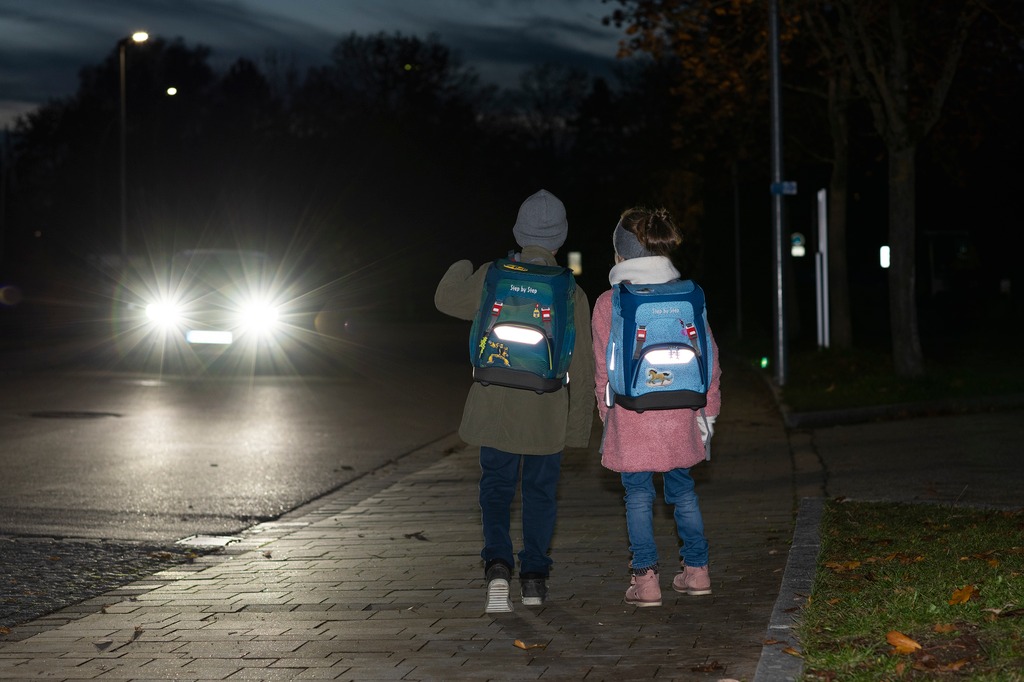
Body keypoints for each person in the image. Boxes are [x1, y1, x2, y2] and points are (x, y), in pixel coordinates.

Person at [434, 189, 595, 613]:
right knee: (540, 494)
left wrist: (460, 266)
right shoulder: (569, 291)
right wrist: (578, 431)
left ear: (518, 232)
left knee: (497, 489)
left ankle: (498, 566)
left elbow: (445, 299)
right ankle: (535, 579)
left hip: (496, 406)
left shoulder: (493, 274)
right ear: (560, 239)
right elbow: (582, 370)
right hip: (547, 413)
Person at [591, 207, 722, 607]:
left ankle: (646, 581)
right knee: (683, 492)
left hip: (632, 415)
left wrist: (606, 413)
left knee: (637, 495)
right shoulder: (688, 294)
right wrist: (709, 413)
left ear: (621, 256)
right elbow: (711, 358)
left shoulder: (609, 303)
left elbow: (602, 369)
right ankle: (697, 572)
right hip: (681, 412)